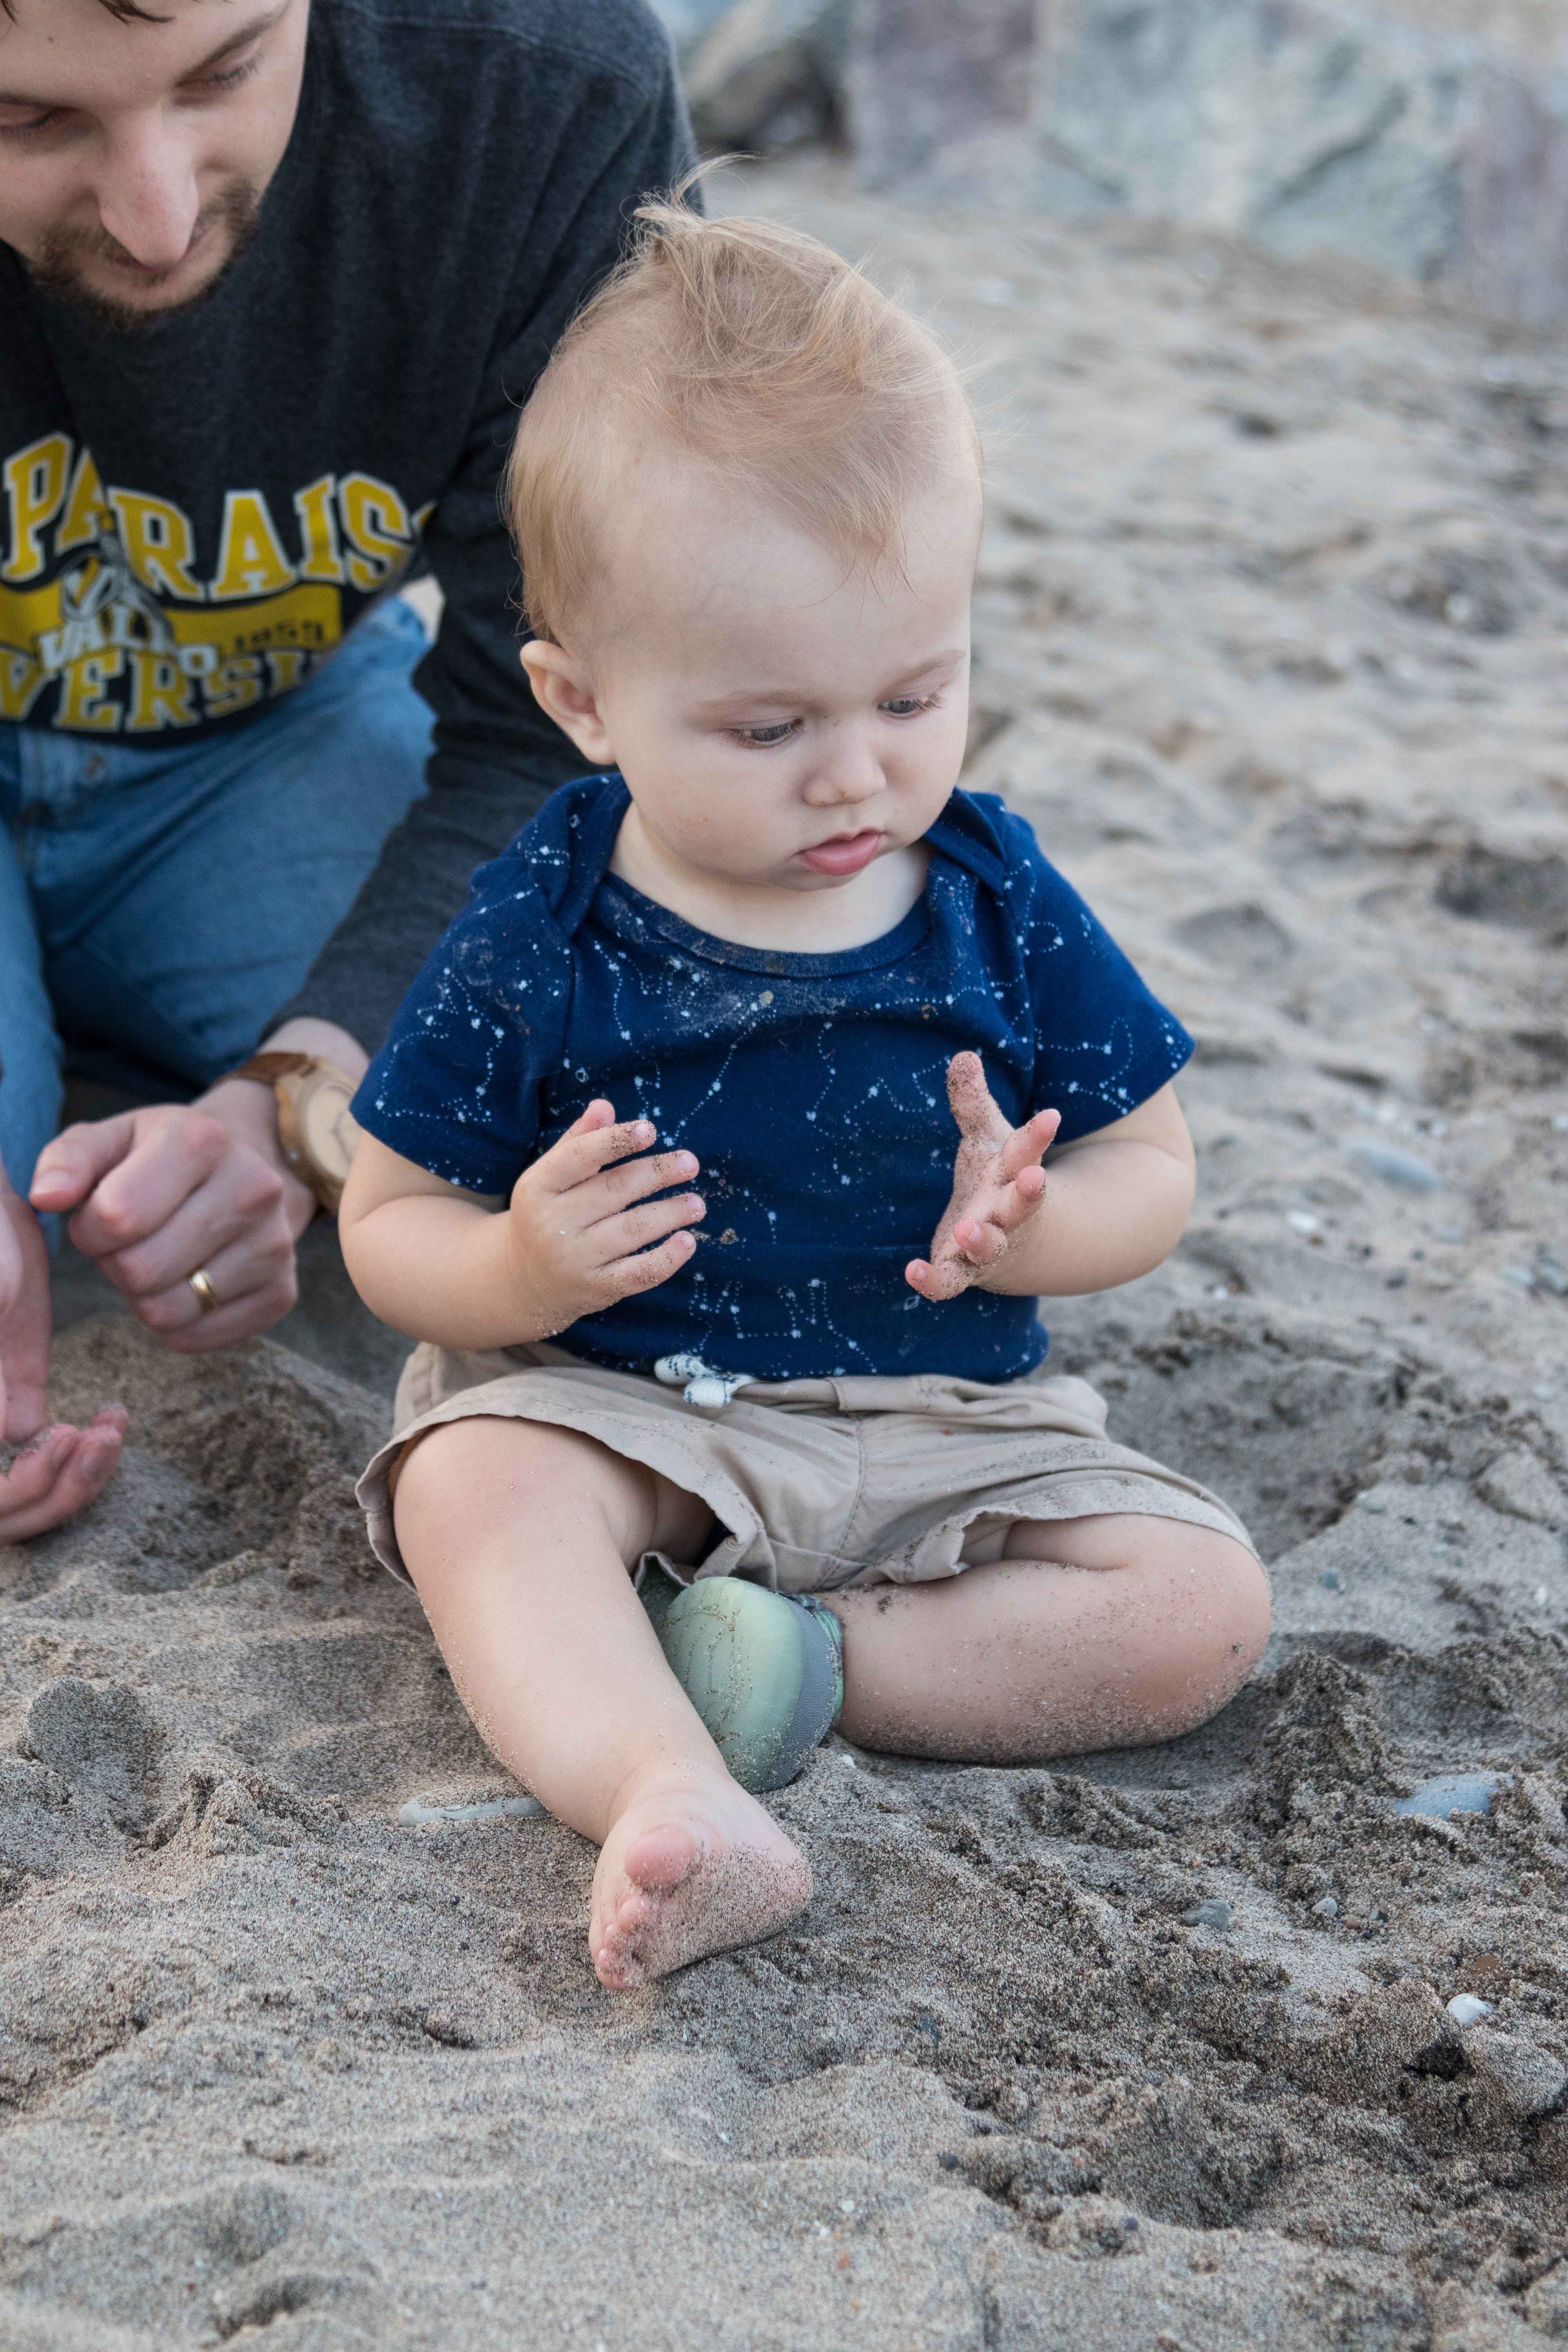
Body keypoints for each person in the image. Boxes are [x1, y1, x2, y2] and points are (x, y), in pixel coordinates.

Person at [338, 202, 1273, 1993]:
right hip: (630, 1404)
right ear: (581, 700)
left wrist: (1038, 1225)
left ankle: (799, 1662)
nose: (859, 772)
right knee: (472, 1490)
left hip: (943, 1425)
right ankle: (667, 1793)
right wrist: (521, 1272)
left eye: (918, 693)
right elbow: (389, 1219)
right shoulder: (547, 916)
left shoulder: (991, 892)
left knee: (1197, 1613)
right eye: (766, 729)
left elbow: (1153, 1170)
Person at [0, 0, 693, 1540]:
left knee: (576, 1115)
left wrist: (294, 1099)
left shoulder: (541, 80)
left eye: (224, 73)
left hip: (267, 741)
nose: (158, 214)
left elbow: (563, 713)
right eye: (30, 122)